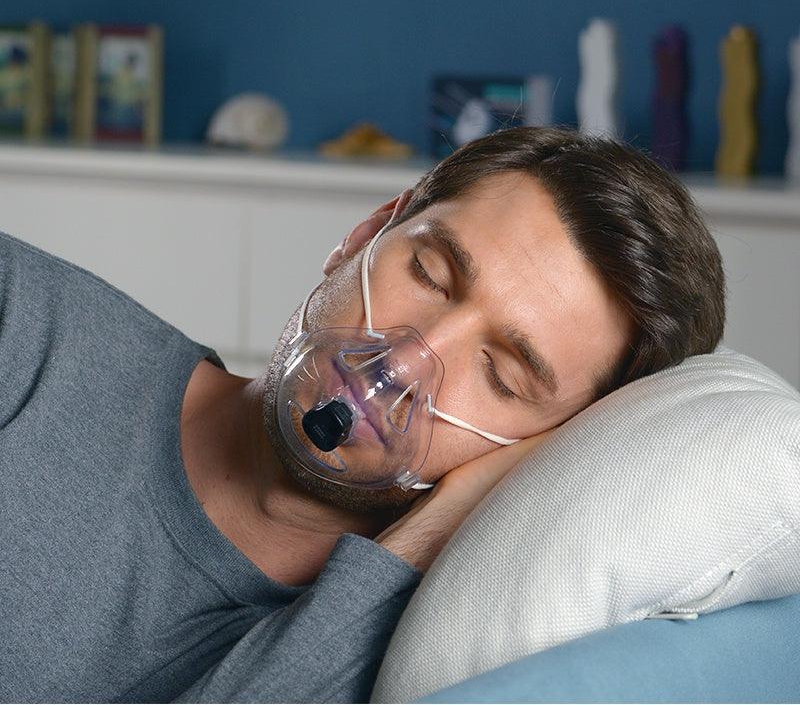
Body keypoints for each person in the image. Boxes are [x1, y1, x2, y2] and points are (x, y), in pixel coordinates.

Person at [0, 127, 724, 703]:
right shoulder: (20, 321)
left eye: (501, 375)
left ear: (546, 447)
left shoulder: (428, 657)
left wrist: (424, 542)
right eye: (428, 274)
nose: (402, 364)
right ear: (364, 234)